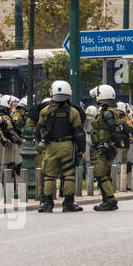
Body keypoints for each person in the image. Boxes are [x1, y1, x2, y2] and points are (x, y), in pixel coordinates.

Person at [34, 80, 85, 213]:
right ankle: (68, 202)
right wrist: (82, 149)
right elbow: (79, 133)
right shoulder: (73, 112)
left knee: (49, 175)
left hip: (50, 146)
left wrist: (41, 145)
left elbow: (38, 130)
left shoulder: (45, 111)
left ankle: (47, 203)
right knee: (69, 175)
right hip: (67, 145)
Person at [88, 84, 127, 212]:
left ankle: (110, 200)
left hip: (105, 148)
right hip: (105, 147)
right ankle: (107, 200)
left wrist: (115, 142)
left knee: (100, 173)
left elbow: (113, 130)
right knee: (104, 174)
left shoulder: (108, 113)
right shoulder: (106, 112)